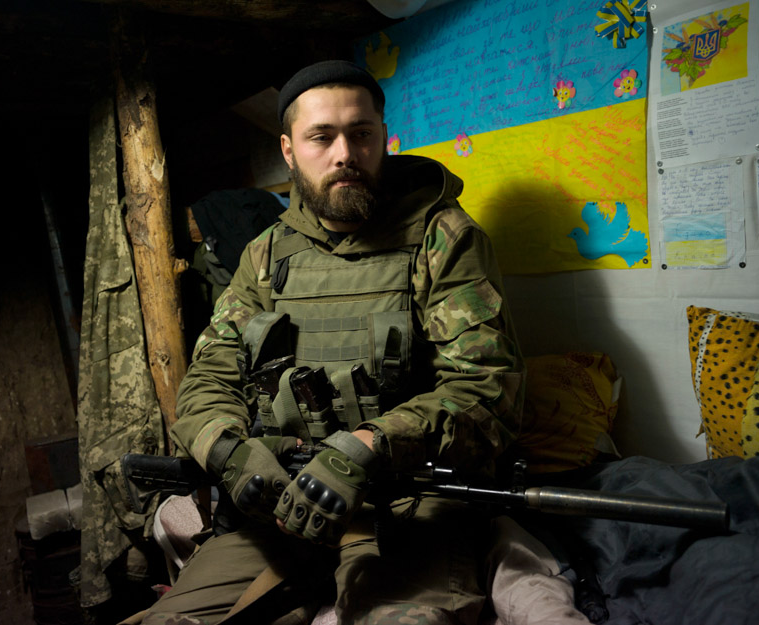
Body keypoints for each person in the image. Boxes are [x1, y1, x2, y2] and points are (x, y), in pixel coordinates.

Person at [136, 60, 530, 625]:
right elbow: (209, 379)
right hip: (281, 507)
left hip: (406, 505)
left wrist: (369, 445)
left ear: (382, 140)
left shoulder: (443, 239)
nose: (345, 153)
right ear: (290, 150)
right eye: (321, 136)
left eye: (361, 133)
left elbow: (491, 390)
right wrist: (232, 453)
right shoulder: (266, 256)